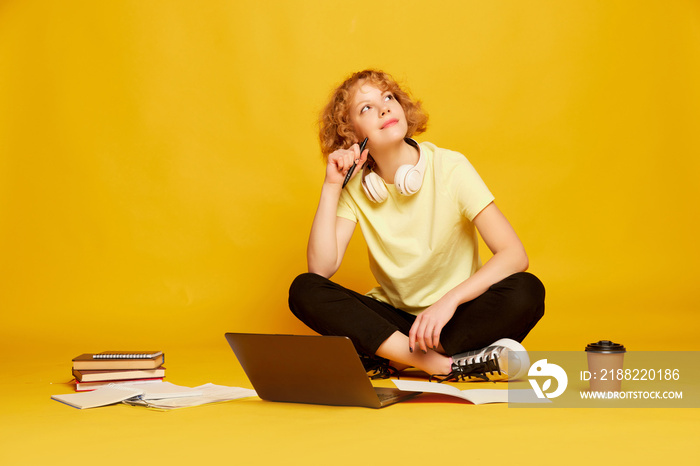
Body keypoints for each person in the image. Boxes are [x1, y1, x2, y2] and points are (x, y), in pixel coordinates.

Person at [288, 69, 545, 382]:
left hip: (453, 317)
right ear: (352, 135)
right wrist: (332, 185)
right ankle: (441, 364)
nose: (384, 108)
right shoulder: (355, 187)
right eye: (366, 108)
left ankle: (394, 359)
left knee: (527, 290)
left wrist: (447, 303)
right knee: (304, 289)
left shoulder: (450, 166)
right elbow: (321, 269)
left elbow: (514, 255)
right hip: (394, 325)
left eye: (388, 98)